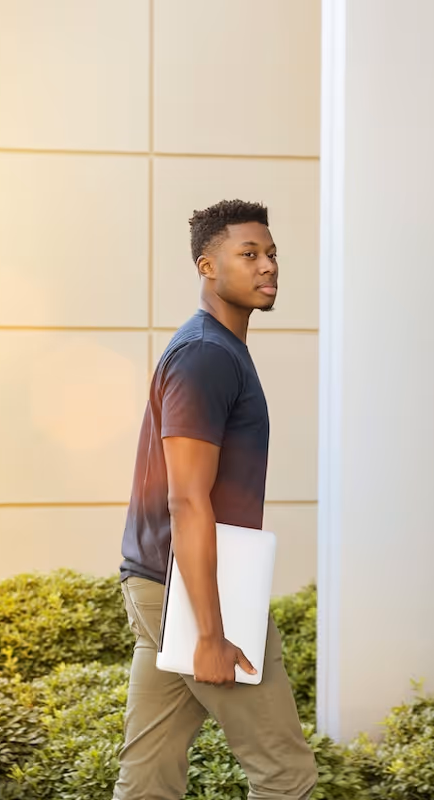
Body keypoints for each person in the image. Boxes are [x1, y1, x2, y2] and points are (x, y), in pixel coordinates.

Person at [114, 199, 317, 800]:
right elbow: (186, 500)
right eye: (248, 254)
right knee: (285, 776)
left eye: (271, 253)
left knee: (148, 780)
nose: (268, 266)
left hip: (164, 581)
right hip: (195, 588)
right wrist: (209, 632)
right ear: (207, 266)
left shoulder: (217, 349)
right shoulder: (206, 356)